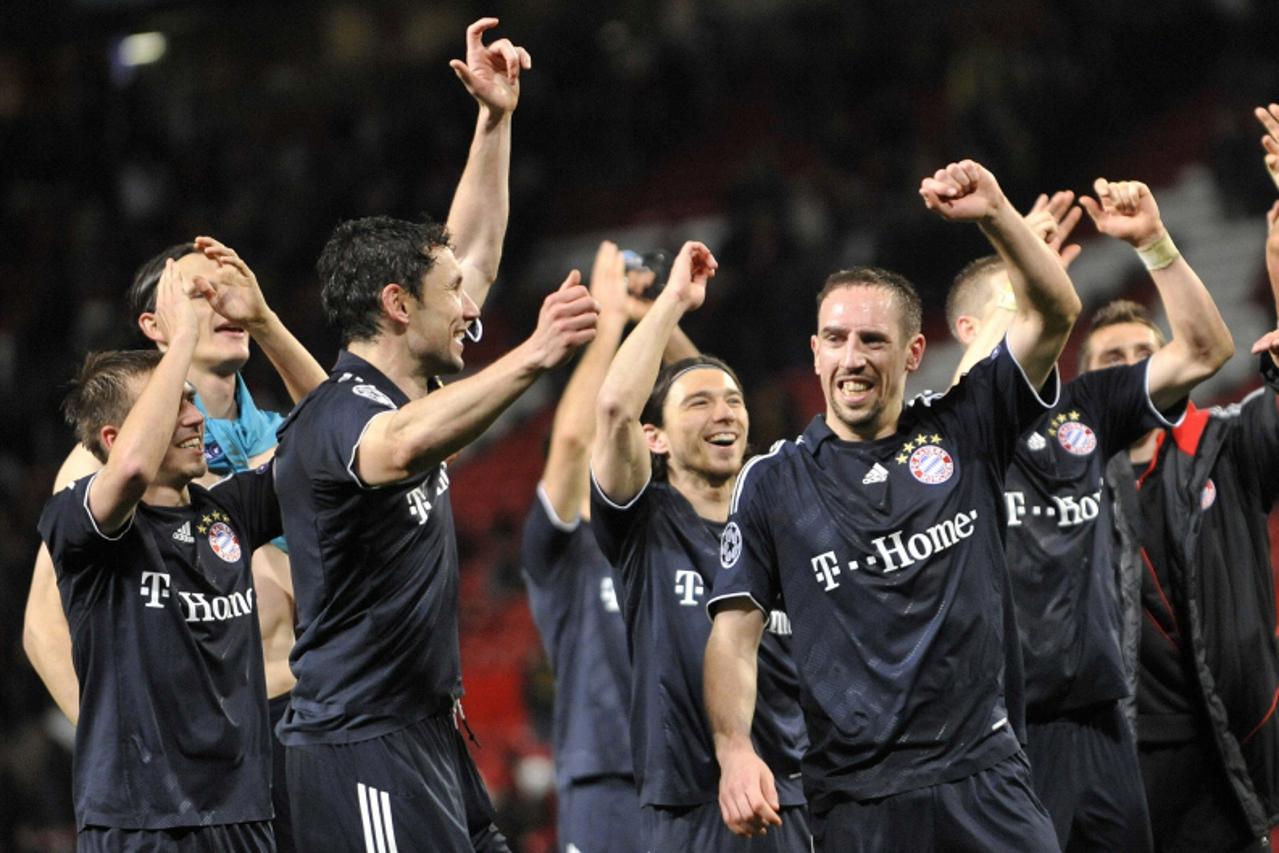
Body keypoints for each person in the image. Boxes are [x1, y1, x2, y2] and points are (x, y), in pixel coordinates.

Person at [271, 25, 599, 850]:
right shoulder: (340, 413)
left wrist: (495, 122)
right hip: (360, 745)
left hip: (423, 731)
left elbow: (474, 255)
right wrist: (535, 353)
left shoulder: (404, 382)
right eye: (448, 295)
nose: (469, 306)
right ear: (395, 304)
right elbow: (401, 446)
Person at [705, 159, 1081, 852]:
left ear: (912, 353)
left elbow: (1055, 311)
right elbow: (733, 634)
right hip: (857, 800)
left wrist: (996, 212)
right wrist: (733, 749)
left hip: (984, 774)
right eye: (837, 339)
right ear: (813, 352)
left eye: (872, 340)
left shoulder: (966, 425)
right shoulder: (771, 482)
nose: (852, 357)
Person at [946, 181, 1233, 850]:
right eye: (1015, 293)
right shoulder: (936, 435)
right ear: (969, 328)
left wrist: (1154, 246)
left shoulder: (1086, 408)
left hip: (1102, 720)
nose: (1041, 298)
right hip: (1001, 730)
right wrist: (1018, 260)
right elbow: (970, 400)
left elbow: (1204, 350)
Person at [23, 235, 324, 851]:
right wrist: (129, 743)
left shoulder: (270, 436)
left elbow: (345, 432)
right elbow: (41, 628)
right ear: (157, 324)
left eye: (229, 289)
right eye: (199, 295)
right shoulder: (99, 463)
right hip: (175, 766)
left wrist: (266, 321)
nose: (223, 304)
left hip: (301, 722)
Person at [1097, 105, 1279, 852]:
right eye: (1112, 360)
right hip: (1106, 762)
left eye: (1148, 350)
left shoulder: (1227, 446)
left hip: (1227, 754)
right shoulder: (1050, 486)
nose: (1135, 369)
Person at [589, 241, 811, 851]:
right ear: (654, 438)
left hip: (792, 794)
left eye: (735, 402)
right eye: (702, 405)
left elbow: (700, 380)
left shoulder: (777, 516)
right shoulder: (642, 521)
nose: (725, 414)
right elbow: (615, 408)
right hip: (689, 804)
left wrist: (698, 373)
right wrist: (670, 302)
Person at [519, 241, 696, 852]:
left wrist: (662, 315)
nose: (604, 449)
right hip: (604, 779)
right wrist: (610, 324)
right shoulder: (560, 551)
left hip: (694, 768)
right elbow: (571, 443)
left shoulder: (667, 530)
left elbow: (709, 417)